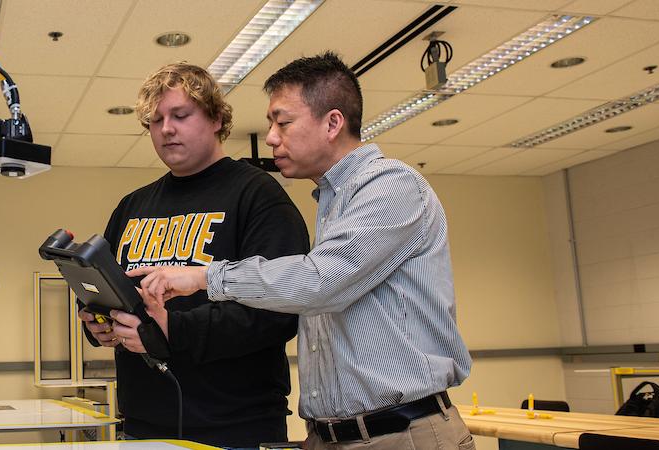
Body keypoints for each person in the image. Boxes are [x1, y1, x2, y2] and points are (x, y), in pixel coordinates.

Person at [128, 52, 474, 450]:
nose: (271, 136)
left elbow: (318, 281)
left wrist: (205, 276)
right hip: (333, 436)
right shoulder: (332, 204)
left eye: (283, 122)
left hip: (402, 435)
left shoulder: (392, 186)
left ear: (332, 123)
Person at [78, 62, 309, 447]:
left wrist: (174, 331)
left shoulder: (257, 195)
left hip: (236, 429)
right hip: (141, 426)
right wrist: (98, 323)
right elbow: (115, 289)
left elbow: (279, 310)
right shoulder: (132, 206)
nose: (166, 129)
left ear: (217, 118)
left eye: (180, 115)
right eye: (155, 121)